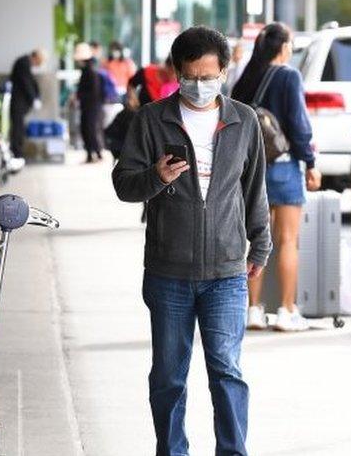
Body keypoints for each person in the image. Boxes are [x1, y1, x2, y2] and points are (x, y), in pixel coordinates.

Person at [112, 26, 271, 456]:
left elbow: (254, 188)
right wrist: (155, 176)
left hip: (226, 272)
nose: (199, 86)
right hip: (168, 272)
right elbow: (123, 184)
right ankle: (172, 450)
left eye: (208, 76)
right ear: (176, 72)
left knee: (227, 371)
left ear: (224, 71)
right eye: (191, 76)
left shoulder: (243, 121)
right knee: (168, 376)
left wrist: (260, 246)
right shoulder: (150, 119)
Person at [231, 22, 321, 332]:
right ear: (284, 48)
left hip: (250, 168)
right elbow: (298, 125)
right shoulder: (288, 76)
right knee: (286, 240)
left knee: (256, 240)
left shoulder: (246, 79)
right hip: (283, 166)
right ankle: (286, 310)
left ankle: (253, 311)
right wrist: (310, 162)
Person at [8, 48, 43, 158]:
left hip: (20, 102)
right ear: (36, 57)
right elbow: (26, 82)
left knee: (19, 128)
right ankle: (16, 154)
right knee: (18, 128)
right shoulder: (23, 63)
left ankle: (17, 152)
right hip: (18, 102)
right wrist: (33, 99)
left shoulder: (25, 63)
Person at [74, 42, 104, 163]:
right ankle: (93, 153)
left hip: (90, 106)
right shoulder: (90, 68)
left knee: (89, 129)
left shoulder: (90, 70)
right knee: (88, 129)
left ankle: (95, 153)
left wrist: (79, 96)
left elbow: (93, 91)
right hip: (90, 105)